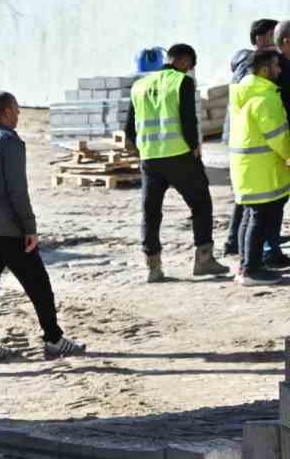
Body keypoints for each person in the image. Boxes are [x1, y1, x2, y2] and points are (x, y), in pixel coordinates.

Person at [0, 92, 85, 365]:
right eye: (16, 110)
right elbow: (17, 189)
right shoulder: (8, 141)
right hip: (7, 228)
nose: (19, 116)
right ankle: (53, 339)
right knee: (39, 285)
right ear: (6, 111)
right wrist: (29, 226)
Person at [124, 44, 229, 282]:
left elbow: (130, 126)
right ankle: (204, 259)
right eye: (190, 66)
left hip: (150, 158)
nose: (190, 70)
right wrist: (194, 148)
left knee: (151, 212)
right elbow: (188, 119)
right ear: (183, 61)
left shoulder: (139, 85)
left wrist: (139, 149)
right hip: (179, 155)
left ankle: (153, 266)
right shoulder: (181, 82)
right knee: (201, 204)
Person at [227, 50, 290, 286]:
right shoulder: (265, 98)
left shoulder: (243, 93)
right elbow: (278, 136)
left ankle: (247, 265)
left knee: (250, 216)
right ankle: (252, 269)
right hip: (263, 169)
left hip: (248, 168)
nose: (280, 70)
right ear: (265, 69)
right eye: (276, 66)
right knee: (258, 218)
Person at [224, 18, 283, 258]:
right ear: (261, 38)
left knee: (250, 206)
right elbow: (271, 128)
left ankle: (241, 250)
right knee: (255, 208)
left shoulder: (253, 74)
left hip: (247, 147)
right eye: (273, 35)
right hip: (254, 149)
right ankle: (253, 258)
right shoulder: (253, 73)